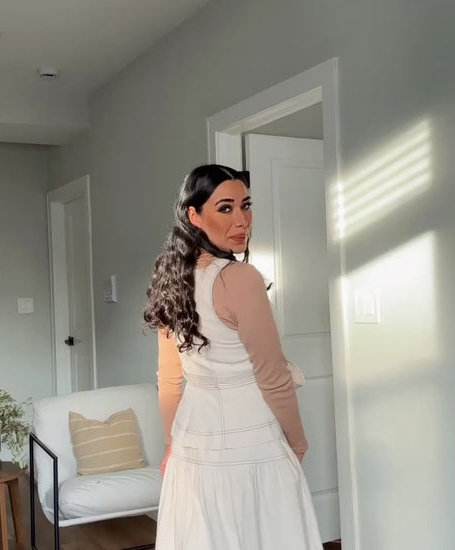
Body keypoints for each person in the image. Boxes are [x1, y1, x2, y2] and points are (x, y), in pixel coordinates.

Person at [144, 164, 323, 550]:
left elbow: (169, 381)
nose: (242, 220)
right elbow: (273, 376)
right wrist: (298, 443)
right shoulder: (239, 278)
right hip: (251, 441)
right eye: (225, 208)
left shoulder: (170, 279)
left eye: (246, 205)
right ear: (194, 215)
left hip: (191, 441)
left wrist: (171, 446)